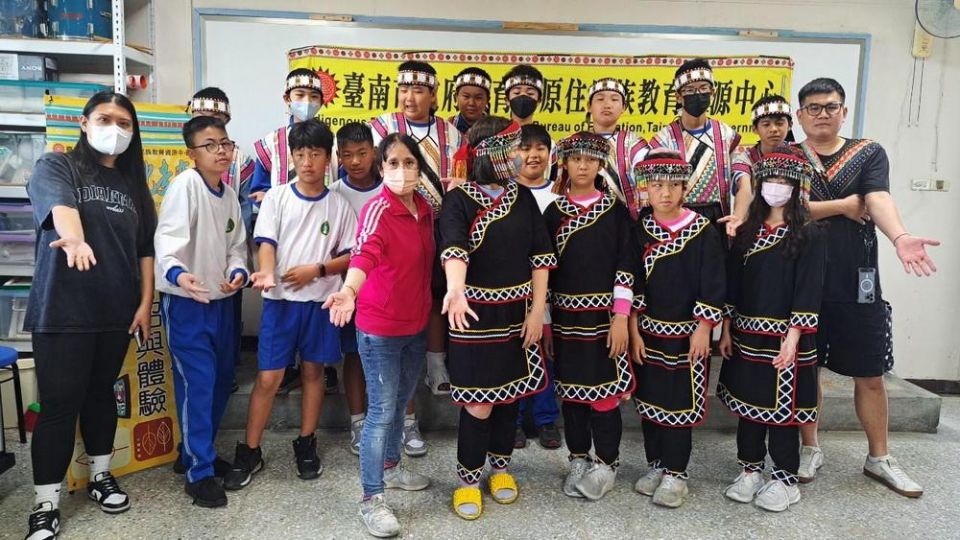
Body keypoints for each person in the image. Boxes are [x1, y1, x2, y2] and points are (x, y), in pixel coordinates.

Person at [794, 78, 938, 496]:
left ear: (843, 111)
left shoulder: (868, 152)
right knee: (807, 371)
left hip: (858, 281)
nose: (823, 114)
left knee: (871, 374)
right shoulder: (789, 155)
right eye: (814, 107)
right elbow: (785, 211)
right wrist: (842, 206)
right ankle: (809, 448)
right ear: (800, 115)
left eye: (831, 106)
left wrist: (899, 236)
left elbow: (877, 198)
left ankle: (880, 457)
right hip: (802, 280)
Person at [23, 91, 157, 540]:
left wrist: (144, 303)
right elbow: (61, 208)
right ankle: (46, 502)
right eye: (104, 118)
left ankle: (101, 475)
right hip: (63, 310)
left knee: (101, 395)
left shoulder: (134, 184)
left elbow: (144, 250)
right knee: (59, 406)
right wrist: (76, 239)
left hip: (116, 311)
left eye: (124, 122)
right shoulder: (58, 165)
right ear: (84, 123)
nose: (114, 128)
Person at [223, 119, 356, 490]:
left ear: (328, 158)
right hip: (280, 303)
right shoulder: (278, 197)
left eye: (316, 154)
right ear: (292, 157)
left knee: (314, 373)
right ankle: (251, 449)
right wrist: (266, 272)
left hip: (320, 303)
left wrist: (318, 270)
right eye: (301, 154)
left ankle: (306, 442)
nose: (308, 162)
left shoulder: (339, 205)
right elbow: (266, 243)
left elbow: (351, 256)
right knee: (269, 377)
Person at [440, 117, 555, 520]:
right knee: (479, 404)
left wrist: (537, 312)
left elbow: (540, 258)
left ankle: (501, 467)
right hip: (473, 313)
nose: (520, 156)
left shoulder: (521, 197)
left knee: (510, 397)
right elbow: (454, 248)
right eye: (514, 149)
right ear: (490, 153)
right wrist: (456, 288)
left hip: (518, 313)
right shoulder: (458, 199)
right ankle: (468, 480)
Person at [324, 133, 436, 538]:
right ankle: (371, 497)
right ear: (381, 167)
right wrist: (349, 290)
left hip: (415, 325)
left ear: (419, 168)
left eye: (409, 163)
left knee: (402, 402)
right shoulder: (378, 209)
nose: (401, 171)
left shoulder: (424, 208)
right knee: (382, 412)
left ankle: (391, 466)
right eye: (393, 163)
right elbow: (365, 253)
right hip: (380, 329)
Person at [717, 147, 826, 512]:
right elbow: (733, 285)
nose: (776, 187)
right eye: (770, 180)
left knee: (783, 413)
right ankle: (750, 469)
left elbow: (808, 290)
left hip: (785, 337)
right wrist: (726, 329)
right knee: (749, 407)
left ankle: (784, 478)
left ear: (797, 187)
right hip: (746, 333)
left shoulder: (809, 234)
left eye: (784, 180)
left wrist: (793, 338)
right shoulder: (747, 231)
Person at [155, 115, 249, 507]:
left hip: (221, 302)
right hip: (187, 303)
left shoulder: (228, 194)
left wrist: (238, 271)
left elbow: (236, 246)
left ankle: (196, 452)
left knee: (222, 379)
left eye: (225, 143)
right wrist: (179, 275)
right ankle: (198, 473)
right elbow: (167, 240)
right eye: (210, 145)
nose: (221, 151)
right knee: (198, 382)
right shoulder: (186, 185)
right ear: (192, 153)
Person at [370, 60, 462, 455]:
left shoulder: (451, 133)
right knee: (401, 314)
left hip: (436, 228)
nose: (410, 97)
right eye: (404, 89)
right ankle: (405, 423)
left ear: (434, 95)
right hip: (393, 229)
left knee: (435, 299)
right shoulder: (380, 128)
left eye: (419, 90)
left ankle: (437, 363)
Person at [629, 148, 725, 509]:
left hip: (688, 334)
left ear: (685, 188)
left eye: (673, 185)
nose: (665, 193)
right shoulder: (639, 229)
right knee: (650, 401)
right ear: (645, 189)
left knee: (679, 403)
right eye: (656, 186)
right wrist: (634, 330)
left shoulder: (701, 230)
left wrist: (704, 328)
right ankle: (656, 464)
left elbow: (713, 281)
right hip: (648, 332)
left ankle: (676, 474)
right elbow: (632, 281)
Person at [544, 132, 636, 501]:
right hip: (564, 319)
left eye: (590, 159)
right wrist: (546, 323)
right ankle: (579, 459)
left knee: (605, 395)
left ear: (601, 165)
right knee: (572, 396)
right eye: (576, 159)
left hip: (604, 319)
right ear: (565, 163)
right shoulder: (552, 213)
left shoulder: (615, 212)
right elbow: (543, 274)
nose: (583, 166)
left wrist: (621, 317)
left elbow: (626, 266)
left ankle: (607, 464)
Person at [248, 68, 335, 396]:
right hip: (281, 237)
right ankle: (285, 368)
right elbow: (256, 188)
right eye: (300, 96)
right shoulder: (269, 144)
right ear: (287, 99)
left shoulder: (330, 142)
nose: (306, 102)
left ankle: (319, 368)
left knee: (317, 309)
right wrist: (264, 197)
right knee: (283, 306)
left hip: (321, 234)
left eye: (313, 97)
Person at [327, 122, 383, 456]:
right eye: (347, 155)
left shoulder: (390, 188)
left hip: (388, 290)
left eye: (362, 153)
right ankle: (358, 421)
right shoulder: (333, 194)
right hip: (349, 289)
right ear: (338, 156)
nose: (356, 161)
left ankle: (401, 421)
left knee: (391, 356)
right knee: (355, 354)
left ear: (374, 152)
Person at [648, 58, 746, 239]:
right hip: (676, 218)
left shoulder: (727, 135)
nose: (697, 94)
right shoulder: (663, 140)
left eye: (703, 88)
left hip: (718, 218)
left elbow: (743, 180)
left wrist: (739, 215)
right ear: (678, 97)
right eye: (690, 90)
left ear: (712, 92)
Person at [512, 123, 562, 450]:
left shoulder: (559, 196)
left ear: (550, 154)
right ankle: (513, 420)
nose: (533, 155)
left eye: (540, 148)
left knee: (545, 352)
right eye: (525, 148)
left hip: (551, 289)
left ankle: (546, 419)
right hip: (512, 289)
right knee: (515, 353)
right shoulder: (504, 194)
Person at [585, 78, 649, 219]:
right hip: (583, 217)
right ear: (589, 106)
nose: (607, 105)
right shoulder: (574, 143)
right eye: (600, 99)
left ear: (623, 108)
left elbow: (645, 188)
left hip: (628, 221)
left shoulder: (635, 145)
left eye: (614, 99)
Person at [449, 67, 492, 135]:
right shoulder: (447, 127)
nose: (471, 103)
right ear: (456, 97)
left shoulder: (496, 129)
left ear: (487, 100)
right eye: (466, 96)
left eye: (478, 98)